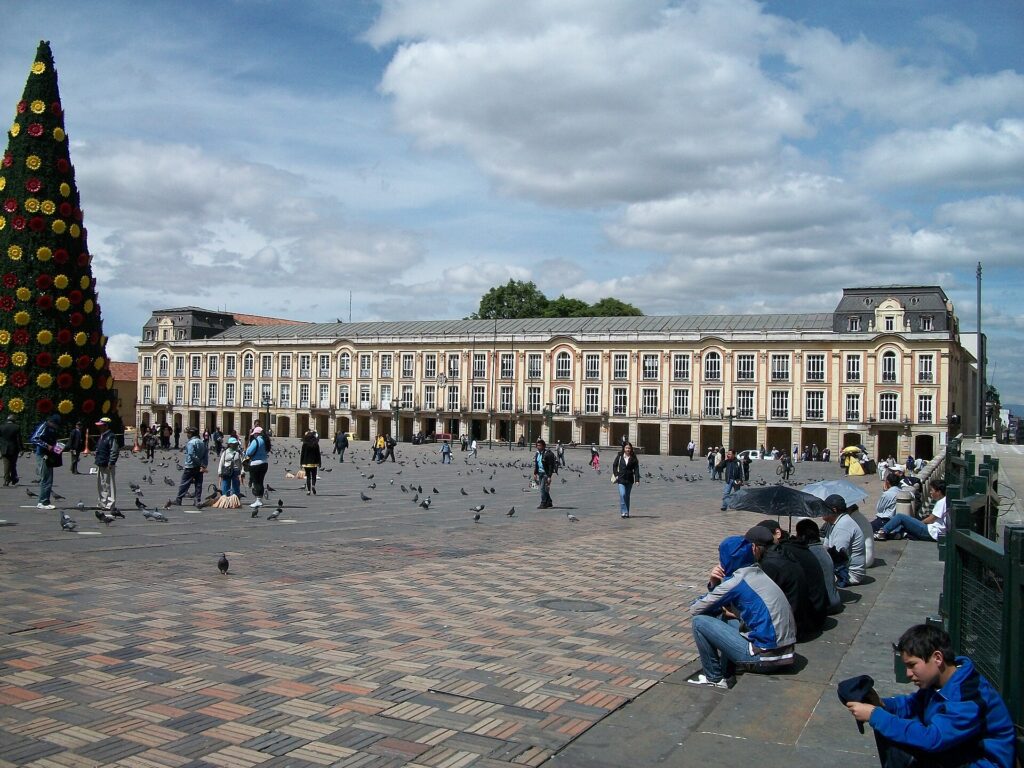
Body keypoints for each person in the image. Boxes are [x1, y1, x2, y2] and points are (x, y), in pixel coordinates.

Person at [845, 624, 1015, 768]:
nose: (908, 674)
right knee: (891, 729)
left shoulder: (967, 696)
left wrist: (875, 714)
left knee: (897, 735)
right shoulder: (939, 681)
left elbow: (934, 738)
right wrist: (882, 705)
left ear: (938, 658)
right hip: (958, 753)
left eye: (912, 665)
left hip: (982, 763)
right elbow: (913, 704)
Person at [688, 526, 797, 688]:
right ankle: (727, 673)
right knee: (725, 619)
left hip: (765, 658)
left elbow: (696, 608)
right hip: (786, 652)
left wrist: (714, 582)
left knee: (699, 622)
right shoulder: (757, 571)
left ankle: (714, 678)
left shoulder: (735, 582)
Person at [875, 480, 948, 542]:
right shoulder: (945, 501)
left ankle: (882, 532)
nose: (930, 492)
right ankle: (898, 534)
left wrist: (919, 523)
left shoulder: (941, 502)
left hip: (932, 532)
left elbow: (931, 519)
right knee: (906, 525)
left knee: (900, 517)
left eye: (932, 490)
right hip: (935, 533)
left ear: (939, 491)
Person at [794, 519, 842, 615]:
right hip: (835, 600)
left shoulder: (808, 553)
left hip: (825, 605)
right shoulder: (823, 550)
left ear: (802, 536)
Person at [822, 494, 866, 587]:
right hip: (842, 566)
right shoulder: (834, 522)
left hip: (849, 575)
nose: (821, 511)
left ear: (834, 510)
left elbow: (837, 557)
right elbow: (825, 547)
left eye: (824, 509)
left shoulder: (843, 526)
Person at [30, 414, 62, 510]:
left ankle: (45, 500)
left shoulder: (52, 429)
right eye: (56, 424)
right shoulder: (44, 426)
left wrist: (58, 448)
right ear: (51, 422)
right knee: (46, 479)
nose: (57, 427)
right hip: (43, 455)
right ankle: (43, 502)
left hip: (50, 455)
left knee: (49, 478)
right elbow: (34, 438)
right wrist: (47, 445)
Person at [173, 426, 209, 507]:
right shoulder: (202, 442)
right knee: (198, 484)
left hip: (190, 466)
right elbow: (206, 455)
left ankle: (178, 499)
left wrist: (199, 463)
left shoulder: (191, 443)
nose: (187, 435)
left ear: (192, 434)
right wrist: (203, 465)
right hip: (199, 468)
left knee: (184, 483)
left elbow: (191, 454)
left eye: (188, 433)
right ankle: (197, 500)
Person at [93, 417, 118, 511]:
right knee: (101, 484)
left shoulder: (111, 436)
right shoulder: (102, 436)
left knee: (109, 484)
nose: (99, 427)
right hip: (100, 462)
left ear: (106, 426)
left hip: (108, 463)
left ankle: (110, 504)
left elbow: (114, 450)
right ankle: (102, 502)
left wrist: (111, 462)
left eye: (101, 426)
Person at [611, 440, 640, 518]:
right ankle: (623, 512)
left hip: (629, 479)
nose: (628, 449)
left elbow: (636, 469)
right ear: (624, 448)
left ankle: (626, 512)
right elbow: (614, 465)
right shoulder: (620, 456)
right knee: (622, 494)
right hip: (621, 479)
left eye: (629, 448)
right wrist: (616, 475)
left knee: (627, 496)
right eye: (626, 448)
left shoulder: (633, 458)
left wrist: (637, 480)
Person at [245, 426, 270, 508]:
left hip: (255, 464)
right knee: (261, 481)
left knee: (256, 482)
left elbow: (249, 452)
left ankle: (258, 500)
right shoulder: (266, 441)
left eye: (254, 434)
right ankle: (260, 499)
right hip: (264, 463)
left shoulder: (256, 441)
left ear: (256, 434)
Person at [533, 438, 556, 509]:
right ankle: (549, 502)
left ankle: (543, 503)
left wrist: (549, 476)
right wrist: (535, 473)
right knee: (544, 489)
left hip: (545, 473)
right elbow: (537, 464)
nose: (538, 447)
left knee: (542, 488)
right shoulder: (537, 454)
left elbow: (550, 466)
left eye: (539, 445)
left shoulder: (548, 454)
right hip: (540, 473)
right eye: (537, 445)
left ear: (543, 446)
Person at [0, 415, 23, 486]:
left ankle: (6, 480)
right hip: (13, 449)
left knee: (6, 465)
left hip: (4, 448)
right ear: (14, 420)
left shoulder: (1, 427)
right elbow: (18, 439)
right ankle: (14, 479)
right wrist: (22, 449)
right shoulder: (16, 427)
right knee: (13, 464)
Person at [300, 430, 321, 495]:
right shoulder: (316, 444)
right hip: (314, 462)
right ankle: (313, 486)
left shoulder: (304, 444)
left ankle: (308, 491)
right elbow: (318, 454)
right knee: (314, 476)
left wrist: (301, 463)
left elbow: (302, 454)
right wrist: (319, 462)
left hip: (306, 463)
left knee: (308, 477)